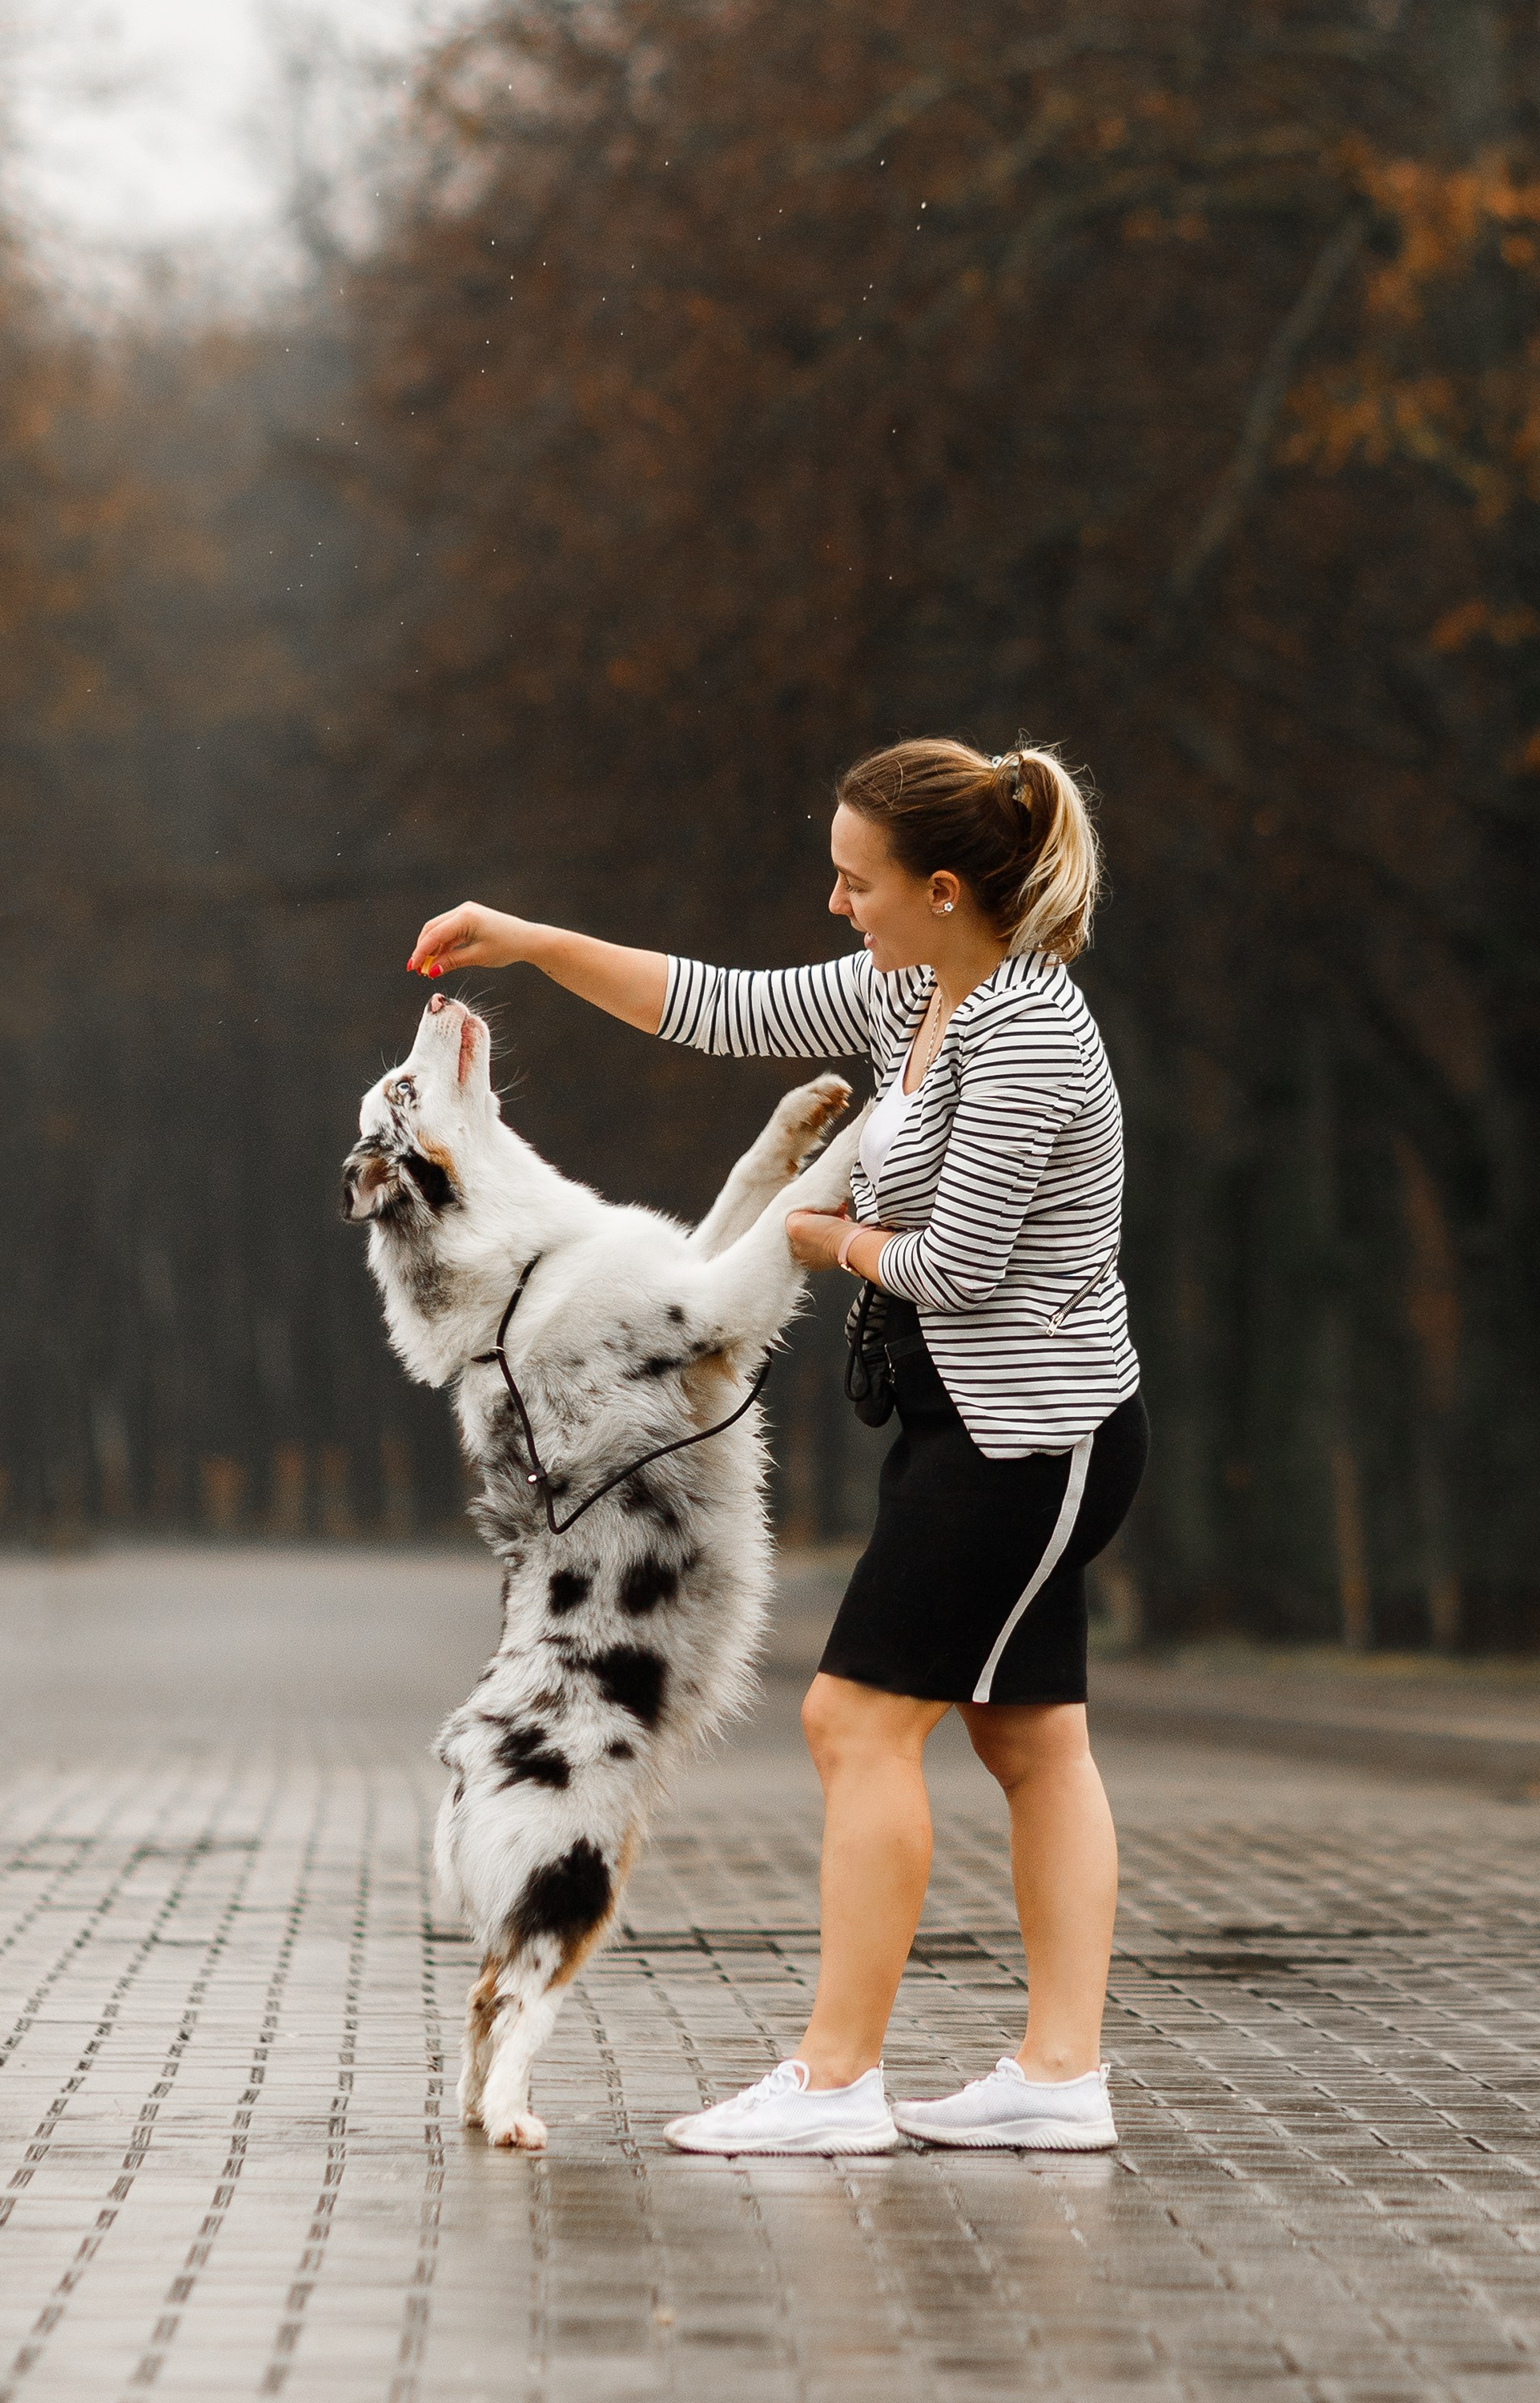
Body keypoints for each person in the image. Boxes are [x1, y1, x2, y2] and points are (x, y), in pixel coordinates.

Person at [406, 736, 1147, 2157]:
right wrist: (533, 942)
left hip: (1030, 1439)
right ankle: (1058, 2078)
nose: (837, 904)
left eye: (856, 881)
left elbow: (958, 1269)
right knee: (1033, 1740)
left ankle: (834, 2082)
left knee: (853, 1721)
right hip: (970, 1426)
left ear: (941, 890)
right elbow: (714, 1004)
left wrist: (819, 1238)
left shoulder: (1031, 1039)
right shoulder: (912, 987)